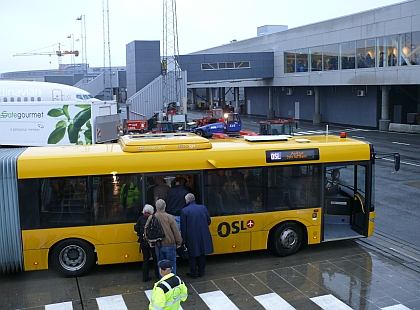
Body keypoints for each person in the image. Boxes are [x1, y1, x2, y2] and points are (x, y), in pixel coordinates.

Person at [180, 193, 214, 279]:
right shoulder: (203, 208)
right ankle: (201, 271)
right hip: (203, 234)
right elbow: (208, 221)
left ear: (187, 200)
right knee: (202, 254)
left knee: (192, 255)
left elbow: (183, 227)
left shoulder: (184, 211)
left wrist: (183, 240)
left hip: (191, 236)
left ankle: (193, 273)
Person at [145, 199, 182, 276]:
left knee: (161, 264)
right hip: (170, 244)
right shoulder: (170, 217)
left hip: (158, 244)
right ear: (165, 207)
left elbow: (146, 230)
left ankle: (162, 280)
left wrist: (149, 241)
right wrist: (179, 242)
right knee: (171, 264)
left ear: (156, 207)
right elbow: (176, 231)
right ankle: (172, 280)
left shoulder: (151, 217)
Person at [135, 204, 159, 282]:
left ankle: (145, 277)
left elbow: (136, 229)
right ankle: (158, 275)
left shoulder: (140, 219)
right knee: (155, 258)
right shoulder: (153, 218)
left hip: (143, 242)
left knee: (145, 259)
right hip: (152, 242)